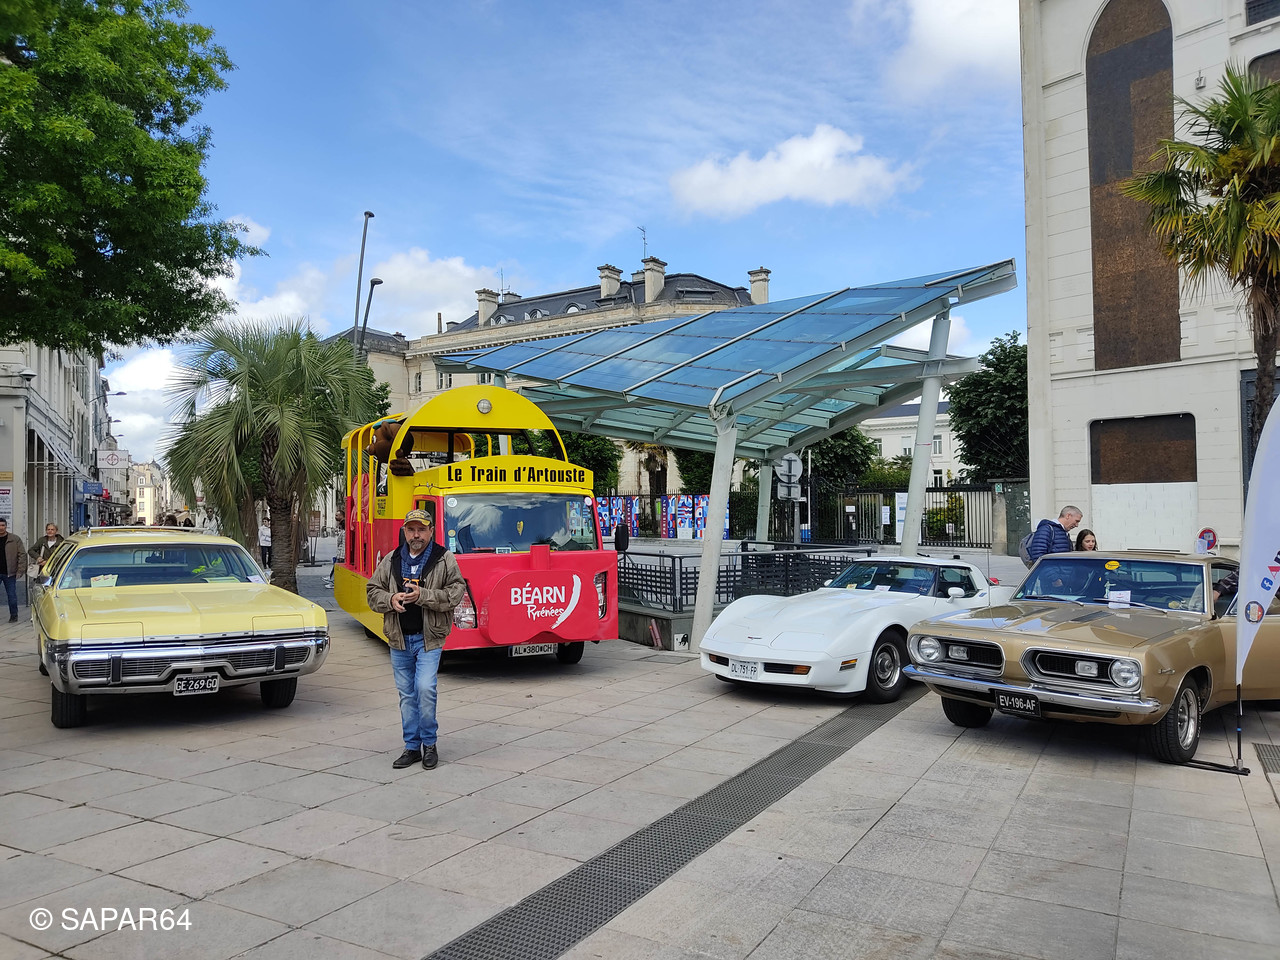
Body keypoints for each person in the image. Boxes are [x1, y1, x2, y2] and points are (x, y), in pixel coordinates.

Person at [366, 508, 465, 771]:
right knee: (407, 696)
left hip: (429, 638)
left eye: (421, 529)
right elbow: (372, 591)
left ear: (431, 531)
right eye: (411, 530)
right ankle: (412, 747)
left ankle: (429, 744)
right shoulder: (392, 559)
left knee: (425, 688)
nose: (416, 535)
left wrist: (423, 595)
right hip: (399, 639)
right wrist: (390, 599)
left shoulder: (443, 558)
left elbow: (456, 592)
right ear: (405, 532)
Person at [0, 519, 28, 622]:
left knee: (12, 595)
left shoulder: (14, 539)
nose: (1, 528)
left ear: (6, 526)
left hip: (10, 573)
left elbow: (22, 555)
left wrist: (20, 570)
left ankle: (14, 615)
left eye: (3, 525)